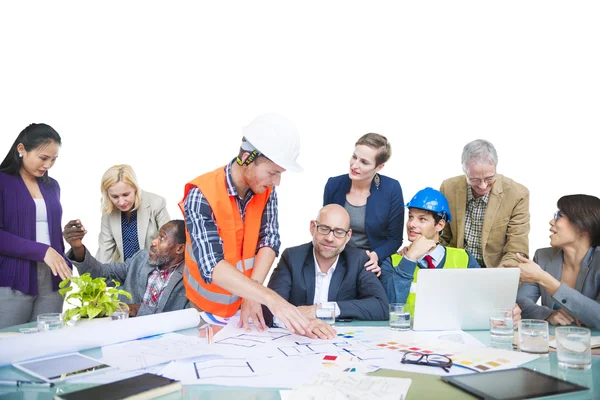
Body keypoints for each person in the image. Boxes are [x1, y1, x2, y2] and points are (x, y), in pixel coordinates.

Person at [180, 113, 313, 337]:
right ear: (246, 158)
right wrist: (269, 298)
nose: (276, 181)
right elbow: (212, 266)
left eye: (280, 174)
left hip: (247, 305)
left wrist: (252, 294)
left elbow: (269, 240)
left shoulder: (266, 190)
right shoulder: (201, 194)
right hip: (204, 312)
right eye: (272, 172)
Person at [0, 123, 72, 329]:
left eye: (54, 159)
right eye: (43, 158)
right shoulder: (2, 182)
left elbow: (50, 231)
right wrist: (42, 251)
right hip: (13, 277)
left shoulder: (52, 186)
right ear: (21, 149)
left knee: (46, 346)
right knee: (8, 346)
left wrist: (64, 259)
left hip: (53, 279)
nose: (48, 165)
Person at [267, 204, 389, 322]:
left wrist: (320, 310)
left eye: (339, 232)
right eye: (324, 229)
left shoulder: (358, 260)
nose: (330, 238)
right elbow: (271, 307)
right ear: (312, 227)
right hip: (298, 336)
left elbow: (381, 307)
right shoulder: (292, 258)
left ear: (348, 236)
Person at [63, 219, 189, 316]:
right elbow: (100, 273)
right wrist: (77, 247)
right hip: (125, 334)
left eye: (162, 238)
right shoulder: (140, 259)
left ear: (179, 248)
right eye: (157, 236)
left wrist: (136, 309)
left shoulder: (190, 277)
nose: (154, 242)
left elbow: (185, 317)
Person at [512, 195, 600, 330]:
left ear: (584, 224)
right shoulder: (542, 256)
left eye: (559, 215)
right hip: (554, 342)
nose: (552, 222)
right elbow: (521, 302)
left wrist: (544, 278)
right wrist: (548, 315)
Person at [440, 139, 530, 268]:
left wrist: (497, 277)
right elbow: (442, 236)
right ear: (464, 171)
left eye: (489, 178)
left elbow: (516, 249)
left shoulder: (517, 194)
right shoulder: (448, 188)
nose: (483, 186)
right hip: (457, 268)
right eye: (474, 179)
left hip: (495, 270)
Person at [323, 133, 404, 277]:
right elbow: (325, 228)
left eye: (364, 162)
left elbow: (394, 239)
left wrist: (376, 255)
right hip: (336, 257)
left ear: (379, 167)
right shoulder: (333, 185)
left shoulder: (391, 189)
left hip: (370, 261)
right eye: (354, 157)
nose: (354, 165)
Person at [97, 164, 170, 263]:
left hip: (153, 269)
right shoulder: (108, 208)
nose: (121, 202)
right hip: (122, 271)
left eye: (126, 195)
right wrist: (98, 275)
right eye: (115, 196)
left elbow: (169, 243)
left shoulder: (157, 203)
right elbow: (104, 250)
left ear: (135, 188)